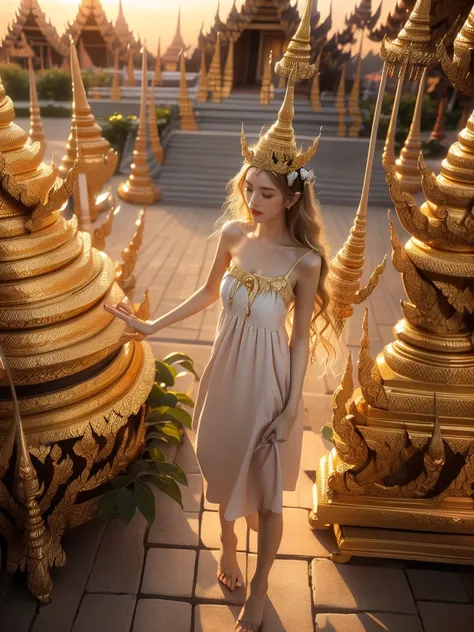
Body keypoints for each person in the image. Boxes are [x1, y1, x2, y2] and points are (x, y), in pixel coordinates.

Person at [104, 9, 338, 631]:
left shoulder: (304, 261)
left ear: (292, 197)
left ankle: (261, 587)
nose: (252, 199)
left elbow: (298, 340)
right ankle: (229, 548)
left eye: (265, 192)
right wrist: (151, 327)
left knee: (267, 495)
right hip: (224, 377)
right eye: (249, 187)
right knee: (221, 468)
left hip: (269, 388)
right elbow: (207, 295)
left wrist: (292, 409)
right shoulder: (234, 235)